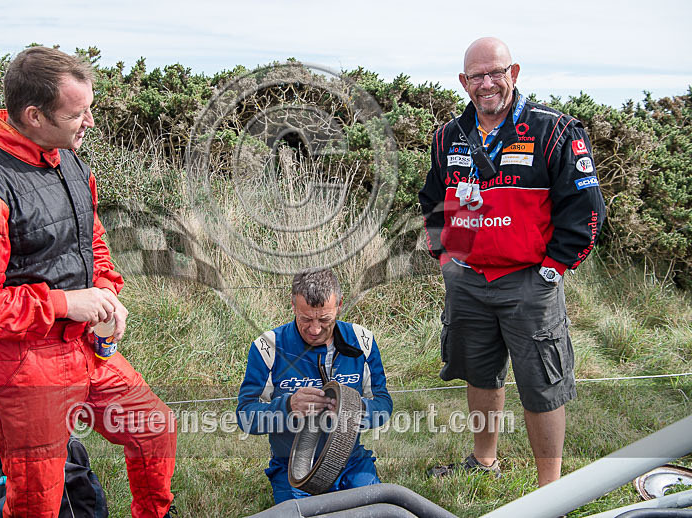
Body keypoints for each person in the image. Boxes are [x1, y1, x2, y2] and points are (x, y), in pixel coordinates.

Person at [0, 47, 176, 517]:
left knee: (155, 427)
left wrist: (106, 293)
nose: (88, 122)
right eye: (76, 113)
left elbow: (92, 238)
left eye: (90, 108)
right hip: (22, 364)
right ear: (34, 115)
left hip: (88, 347)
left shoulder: (68, 159)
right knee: (38, 500)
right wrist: (66, 303)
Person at [418, 37, 606, 487]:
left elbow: (587, 208)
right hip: (467, 281)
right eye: (476, 76)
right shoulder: (448, 135)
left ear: (514, 73)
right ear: (464, 82)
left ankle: (550, 490)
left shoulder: (553, 130)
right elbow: (431, 201)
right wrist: (445, 255)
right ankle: (484, 460)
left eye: (496, 72)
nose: (487, 83)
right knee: (479, 373)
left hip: (529, 282)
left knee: (542, 384)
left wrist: (554, 268)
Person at [236, 268, 392, 503]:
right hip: (293, 465)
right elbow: (245, 416)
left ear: (339, 305)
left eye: (325, 320)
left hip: (350, 460)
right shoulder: (268, 347)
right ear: (293, 305)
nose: (315, 329)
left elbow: (383, 404)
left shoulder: (362, 341)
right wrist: (288, 407)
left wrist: (357, 411)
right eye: (306, 319)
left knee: (377, 509)